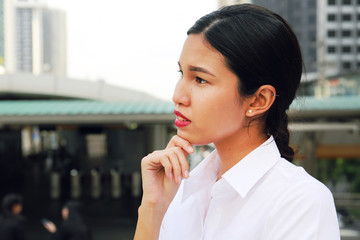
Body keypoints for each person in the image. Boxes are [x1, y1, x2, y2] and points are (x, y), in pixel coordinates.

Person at [134, 4, 340, 240]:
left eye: (200, 79)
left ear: (258, 100)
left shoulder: (299, 201)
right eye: (182, 74)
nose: (178, 96)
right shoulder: (179, 192)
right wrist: (152, 207)